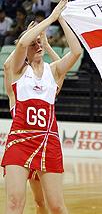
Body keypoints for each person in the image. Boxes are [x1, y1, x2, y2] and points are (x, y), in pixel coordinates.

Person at [1, 0, 83, 214]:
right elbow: (19, 45)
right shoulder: (18, 71)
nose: (38, 46)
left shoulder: (53, 71)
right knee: (15, 203)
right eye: (34, 43)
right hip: (20, 141)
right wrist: (50, 18)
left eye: (40, 42)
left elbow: (76, 52)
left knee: (54, 205)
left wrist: (61, 19)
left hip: (48, 141)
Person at [4, 23, 63, 214]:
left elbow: (60, 69)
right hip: (23, 146)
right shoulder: (17, 90)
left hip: (44, 146)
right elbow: (7, 66)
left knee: (43, 201)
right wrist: (26, 38)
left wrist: (46, 45)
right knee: (28, 201)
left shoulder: (48, 85)